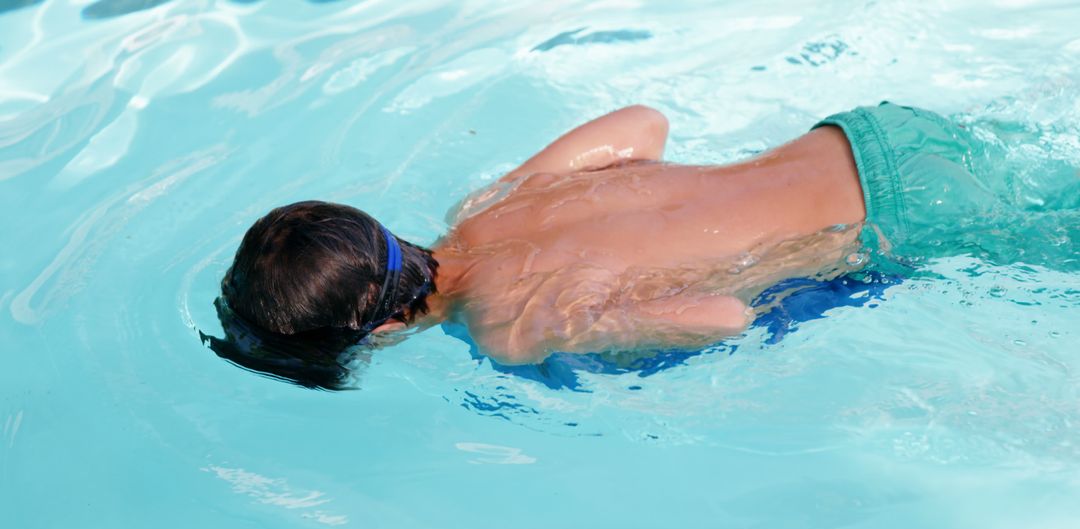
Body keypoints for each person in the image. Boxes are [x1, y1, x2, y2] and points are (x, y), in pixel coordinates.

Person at [210, 102, 1078, 387]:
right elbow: (643, 124)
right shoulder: (490, 207)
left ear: (384, 330)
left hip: (919, 218)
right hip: (869, 133)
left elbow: (725, 316)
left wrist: (590, 320)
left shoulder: (512, 328)